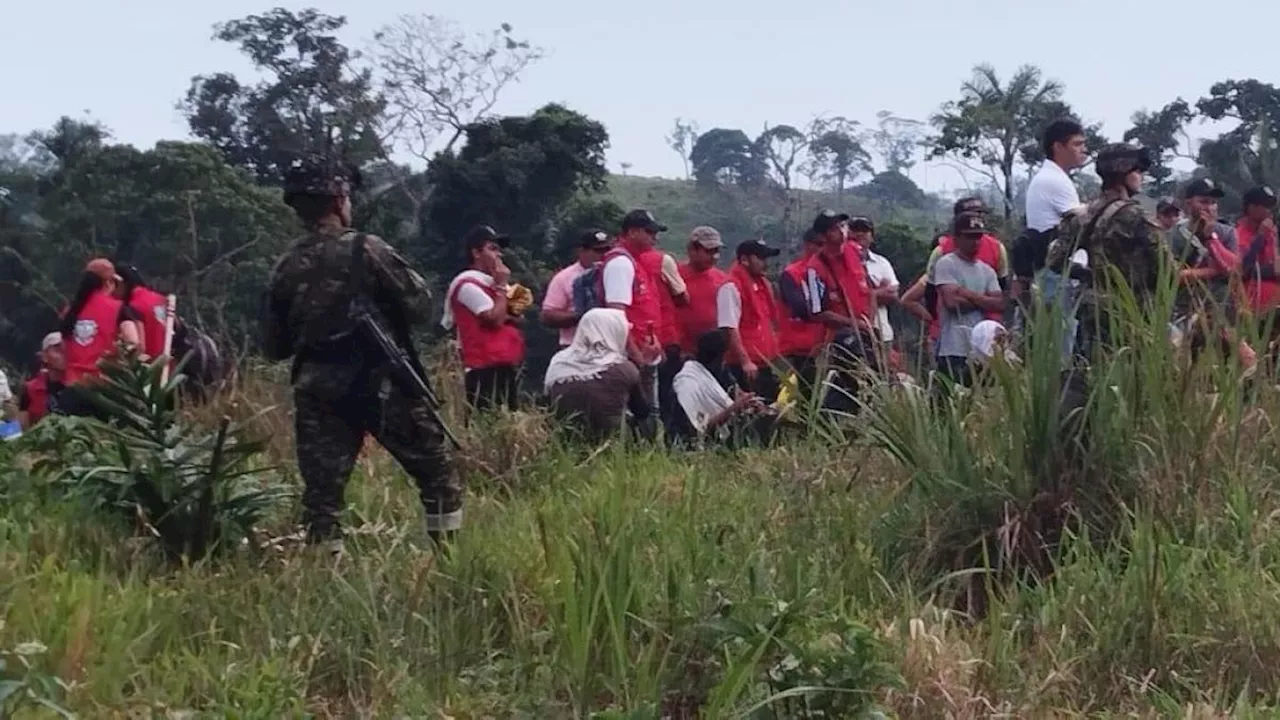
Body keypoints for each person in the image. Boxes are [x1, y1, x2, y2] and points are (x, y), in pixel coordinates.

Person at [263, 154, 462, 552]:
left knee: (323, 498)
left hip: (319, 390)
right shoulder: (367, 249)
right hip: (382, 383)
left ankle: (325, 577)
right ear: (340, 199)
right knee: (438, 475)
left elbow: (274, 347)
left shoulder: (285, 266)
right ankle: (449, 560)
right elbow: (420, 306)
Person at [1046, 143, 1170, 357]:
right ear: (1122, 171)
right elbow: (1167, 272)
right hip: (1135, 313)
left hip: (1093, 312)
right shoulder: (1138, 217)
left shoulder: (1082, 215)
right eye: (1137, 170)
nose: (1141, 176)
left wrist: (1089, 275)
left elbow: (1055, 261)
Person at [442, 225, 527, 411]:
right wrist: (501, 287)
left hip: (504, 364)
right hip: (483, 368)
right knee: (489, 417)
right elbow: (494, 319)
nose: (499, 255)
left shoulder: (491, 283)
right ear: (476, 252)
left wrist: (502, 296)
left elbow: (518, 316)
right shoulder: (468, 284)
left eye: (499, 250)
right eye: (493, 249)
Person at [544, 308, 651, 443]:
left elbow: (548, 402)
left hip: (566, 441)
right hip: (612, 444)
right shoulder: (623, 369)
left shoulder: (558, 362)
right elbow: (643, 411)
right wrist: (647, 367)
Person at [58, 258, 143, 416]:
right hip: (105, 390)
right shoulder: (118, 308)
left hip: (73, 389)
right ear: (109, 283)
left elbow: (63, 348)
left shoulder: (69, 312)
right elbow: (133, 343)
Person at [601, 209, 666, 406]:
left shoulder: (635, 262)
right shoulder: (621, 263)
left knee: (648, 414)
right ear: (631, 232)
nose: (654, 238)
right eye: (649, 232)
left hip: (644, 351)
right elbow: (617, 313)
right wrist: (635, 354)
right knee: (640, 415)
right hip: (631, 355)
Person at [1013, 119, 1088, 289]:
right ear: (1058, 147)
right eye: (1077, 144)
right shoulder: (1054, 179)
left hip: (1053, 269)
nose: (1084, 150)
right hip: (1056, 271)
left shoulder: (1053, 177)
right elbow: (1082, 220)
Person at [932, 213, 1004, 388]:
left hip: (981, 350)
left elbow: (999, 304)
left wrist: (966, 293)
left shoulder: (987, 270)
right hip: (953, 348)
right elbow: (952, 303)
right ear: (956, 238)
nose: (975, 242)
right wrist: (983, 299)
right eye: (970, 236)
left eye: (978, 236)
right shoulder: (946, 264)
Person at [671, 329, 774, 447]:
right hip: (689, 443)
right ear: (721, 356)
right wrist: (734, 408)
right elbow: (701, 426)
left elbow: (737, 392)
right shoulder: (688, 382)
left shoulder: (721, 371)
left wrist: (750, 402)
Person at [724, 239, 782, 402]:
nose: (765, 263)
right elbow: (730, 328)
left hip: (763, 361)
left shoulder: (762, 285)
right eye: (761, 258)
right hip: (745, 366)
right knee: (753, 412)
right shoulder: (731, 287)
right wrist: (745, 361)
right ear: (744, 260)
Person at [541, 229, 614, 348]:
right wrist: (580, 315)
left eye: (608, 249)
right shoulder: (564, 278)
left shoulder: (615, 274)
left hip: (610, 345)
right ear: (581, 251)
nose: (604, 254)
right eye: (598, 250)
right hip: (575, 346)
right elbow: (548, 316)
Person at [776, 229, 828, 391]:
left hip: (823, 345)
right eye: (819, 244)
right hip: (796, 348)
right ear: (807, 245)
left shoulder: (829, 272)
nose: (823, 249)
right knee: (797, 396)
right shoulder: (791, 273)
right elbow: (800, 307)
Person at [676, 226, 733, 356]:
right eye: (709, 251)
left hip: (714, 353)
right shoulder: (675, 276)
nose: (714, 257)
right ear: (692, 250)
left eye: (716, 251)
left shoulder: (722, 278)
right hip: (682, 351)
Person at [848, 217, 902, 349]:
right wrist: (878, 291)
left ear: (872, 237)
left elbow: (893, 295)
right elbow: (848, 295)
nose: (859, 234)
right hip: (850, 333)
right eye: (855, 230)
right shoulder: (839, 263)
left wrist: (865, 294)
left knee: (881, 368)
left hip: (882, 332)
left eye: (864, 230)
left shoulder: (881, 262)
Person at [1237, 186, 1280, 345]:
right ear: (1251, 207)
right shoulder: (1239, 233)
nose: (1270, 211)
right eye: (1265, 206)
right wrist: (1260, 236)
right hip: (1254, 309)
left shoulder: (1272, 231)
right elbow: (1243, 270)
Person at [116, 264, 170, 360]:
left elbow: (139, 347)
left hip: (148, 369)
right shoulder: (161, 299)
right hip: (169, 366)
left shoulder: (133, 306)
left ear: (123, 283)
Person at [18, 333, 66, 428]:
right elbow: (20, 426)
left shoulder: (82, 389)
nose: (64, 354)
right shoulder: (29, 389)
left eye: (67, 349)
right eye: (58, 349)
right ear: (44, 356)